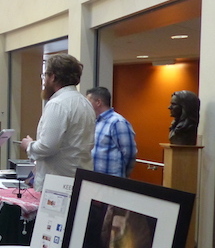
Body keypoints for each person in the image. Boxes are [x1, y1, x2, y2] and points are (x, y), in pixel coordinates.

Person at [20, 54, 95, 192]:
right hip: (80, 181)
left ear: (53, 77)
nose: (44, 81)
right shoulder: (85, 103)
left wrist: (28, 146)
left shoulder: (57, 104)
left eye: (45, 76)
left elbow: (47, 147)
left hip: (58, 185)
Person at [86, 86, 137, 178]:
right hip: (95, 178)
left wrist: (123, 175)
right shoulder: (95, 122)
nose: (86, 105)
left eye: (89, 102)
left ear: (98, 102)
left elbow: (129, 153)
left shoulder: (117, 122)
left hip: (111, 180)